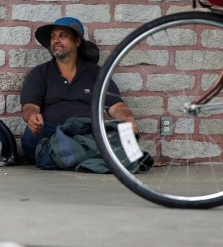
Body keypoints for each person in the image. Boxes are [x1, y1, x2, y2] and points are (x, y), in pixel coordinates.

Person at [20, 17, 136, 165]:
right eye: (53, 36)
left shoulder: (96, 73)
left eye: (63, 36)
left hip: (87, 132)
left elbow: (116, 106)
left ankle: (64, 157)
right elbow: (30, 106)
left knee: (126, 139)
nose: (56, 40)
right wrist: (32, 118)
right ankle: (86, 157)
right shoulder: (40, 73)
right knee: (31, 137)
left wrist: (128, 119)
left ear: (77, 41)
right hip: (52, 132)